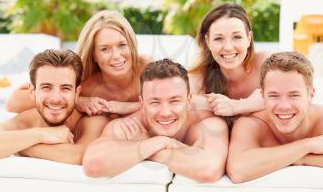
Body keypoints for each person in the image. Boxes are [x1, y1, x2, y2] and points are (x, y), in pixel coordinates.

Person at [83, 59, 229, 183]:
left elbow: (208, 169)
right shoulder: (130, 125)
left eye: (174, 101)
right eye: (155, 102)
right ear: (141, 104)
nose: (165, 112)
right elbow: (93, 165)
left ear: (189, 100)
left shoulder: (207, 123)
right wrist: (162, 142)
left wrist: (145, 147)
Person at [5, 10, 151, 117]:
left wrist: (123, 107)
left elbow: (171, 104)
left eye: (122, 45)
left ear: (131, 44)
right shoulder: (85, 81)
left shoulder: (147, 68)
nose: (116, 56)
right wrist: (77, 100)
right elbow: (13, 103)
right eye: (104, 49)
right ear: (94, 55)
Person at [226, 52, 323, 184]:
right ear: (262, 95)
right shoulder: (251, 124)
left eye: (294, 95)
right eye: (274, 95)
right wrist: (307, 147)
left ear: (310, 94)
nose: (284, 106)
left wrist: (302, 159)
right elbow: (238, 170)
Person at [0, 49, 108, 164]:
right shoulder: (27, 120)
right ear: (32, 92)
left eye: (65, 88)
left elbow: (78, 156)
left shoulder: (92, 119)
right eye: (46, 87)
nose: (55, 98)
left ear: (76, 93)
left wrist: (15, 144)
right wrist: (40, 135)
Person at [190, 3, 272, 117]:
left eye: (237, 37)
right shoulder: (200, 75)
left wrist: (235, 106)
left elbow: (284, 93)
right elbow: (178, 98)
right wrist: (215, 105)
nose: (228, 47)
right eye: (219, 38)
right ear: (208, 41)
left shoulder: (266, 63)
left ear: (248, 38)